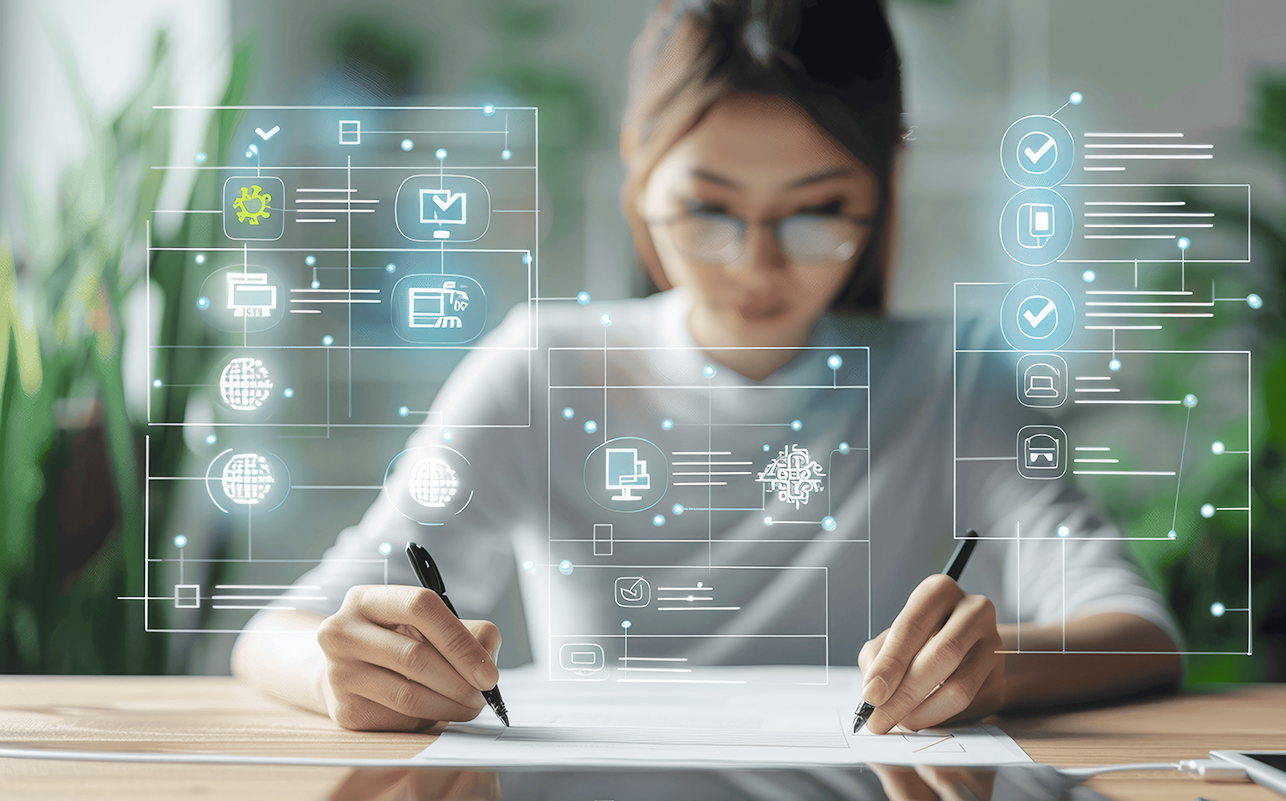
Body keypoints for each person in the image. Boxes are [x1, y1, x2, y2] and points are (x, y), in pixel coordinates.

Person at [233, 0, 1181, 735]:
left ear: (882, 187)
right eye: (710, 212)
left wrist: (999, 664)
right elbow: (272, 635)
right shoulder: (543, 367)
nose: (758, 265)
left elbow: (1136, 631)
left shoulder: (953, 374)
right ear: (639, 176)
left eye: (818, 213)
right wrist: (337, 668)